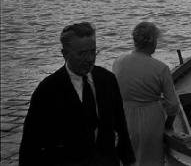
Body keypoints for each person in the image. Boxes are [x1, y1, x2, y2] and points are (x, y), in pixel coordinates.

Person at [19, 22, 135, 166]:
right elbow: (31, 144)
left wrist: (129, 160)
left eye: (93, 51)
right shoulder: (48, 90)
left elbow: (120, 125)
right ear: (65, 54)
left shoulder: (107, 79)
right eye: (82, 53)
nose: (90, 59)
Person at [112, 22, 180, 166]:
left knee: (128, 159)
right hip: (150, 120)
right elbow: (173, 105)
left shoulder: (118, 62)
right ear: (152, 41)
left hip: (124, 118)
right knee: (151, 160)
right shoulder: (161, 68)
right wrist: (169, 124)